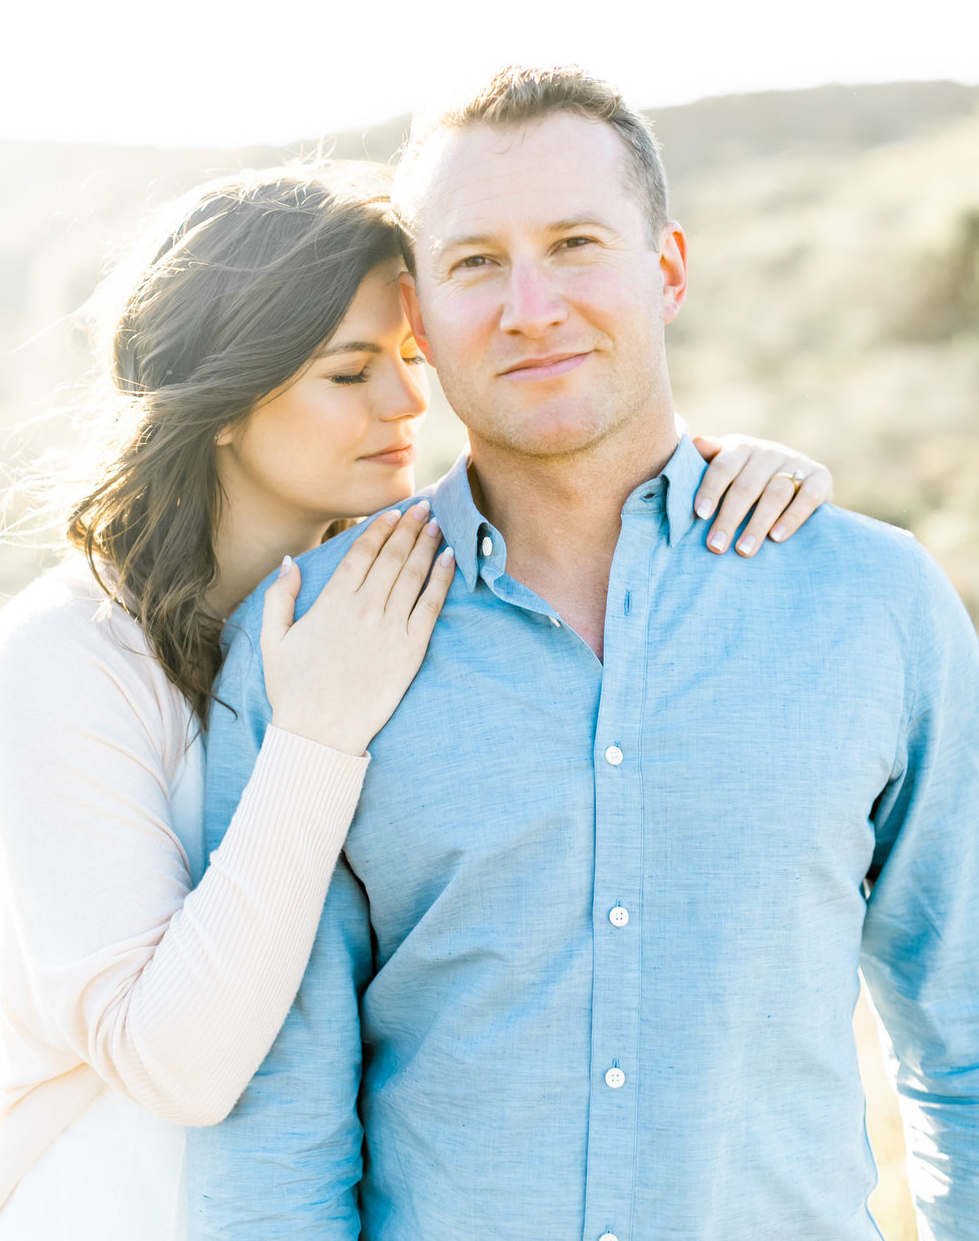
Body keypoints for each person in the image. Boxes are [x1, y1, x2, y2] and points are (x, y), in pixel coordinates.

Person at [192, 67, 979, 1241]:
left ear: (665, 268)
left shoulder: (872, 603)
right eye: (474, 262)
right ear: (419, 312)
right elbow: (273, 1124)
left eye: (573, 243)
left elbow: (961, 1041)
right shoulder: (311, 634)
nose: (530, 305)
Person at [0, 157, 827, 1241]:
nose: (407, 401)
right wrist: (314, 737)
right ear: (224, 399)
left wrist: (730, 480)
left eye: (406, 356)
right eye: (349, 373)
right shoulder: (72, 655)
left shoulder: (405, 589)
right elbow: (174, 1067)